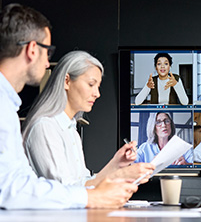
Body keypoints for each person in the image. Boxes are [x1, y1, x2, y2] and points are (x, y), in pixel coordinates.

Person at [0, 3, 153, 209]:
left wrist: (116, 167)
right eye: (48, 52)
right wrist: (112, 182)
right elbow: (17, 188)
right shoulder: (39, 124)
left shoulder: (68, 127)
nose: (47, 64)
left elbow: (70, 183)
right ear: (33, 50)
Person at [22, 50, 153, 187]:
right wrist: (120, 175)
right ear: (66, 81)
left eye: (98, 86)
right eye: (91, 84)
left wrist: (116, 164)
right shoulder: (44, 127)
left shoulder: (71, 131)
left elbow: (85, 184)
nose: (97, 94)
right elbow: (65, 191)